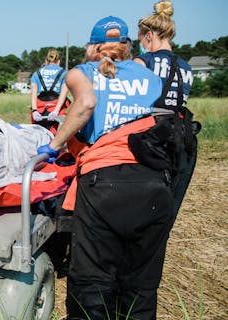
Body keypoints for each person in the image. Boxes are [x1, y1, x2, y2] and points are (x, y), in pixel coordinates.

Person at [37, 16, 173, 318]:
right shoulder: (147, 75)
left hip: (104, 184)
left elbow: (85, 104)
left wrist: (54, 145)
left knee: (92, 282)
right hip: (153, 182)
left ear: (92, 47)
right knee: (140, 285)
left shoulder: (80, 72)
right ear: (127, 45)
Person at [134, 0, 198, 217]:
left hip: (153, 138)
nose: (141, 44)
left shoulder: (143, 62)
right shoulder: (186, 67)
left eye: (141, 39)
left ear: (149, 36)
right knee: (169, 205)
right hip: (181, 137)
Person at [29, 49, 70, 132]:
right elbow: (63, 93)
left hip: (39, 110)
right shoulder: (64, 73)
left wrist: (34, 110)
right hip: (56, 108)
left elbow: (33, 94)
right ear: (58, 61)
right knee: (57, 138)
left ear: (46, 61)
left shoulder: (36, 73)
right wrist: (56, 111)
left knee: (38, 136)